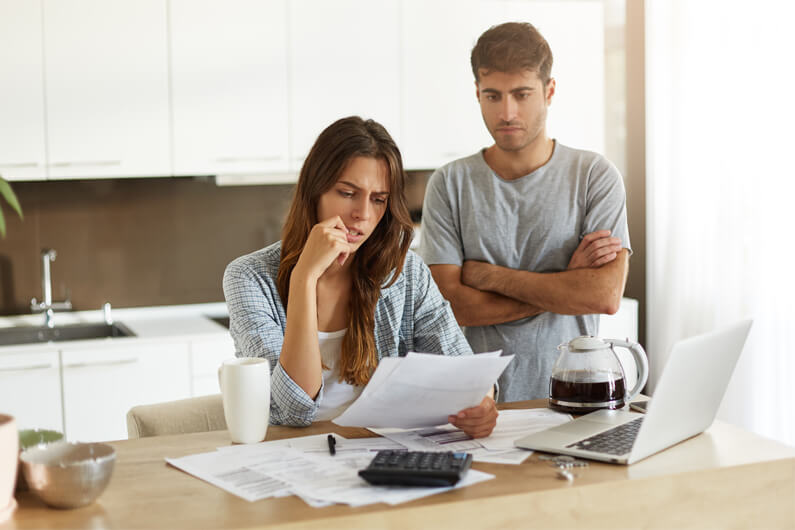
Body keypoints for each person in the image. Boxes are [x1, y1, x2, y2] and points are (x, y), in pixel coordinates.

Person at [223, 116, 497, 438]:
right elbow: (292, 409)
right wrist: (304, 278)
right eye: (348, 193)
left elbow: (463, 371)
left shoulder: (407, 273)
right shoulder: (249, 278)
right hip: (291, 453)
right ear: (314, 190)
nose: (363, 214)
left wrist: (481, 404)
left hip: (381, 452)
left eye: (378, 199)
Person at [419, 22, 631, 402]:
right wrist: (565, 283)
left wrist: (490, 277)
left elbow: (604, 294)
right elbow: (452, 307)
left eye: (521, 94)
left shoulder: (594, 176)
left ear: (549, 91)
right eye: (493, 96)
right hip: (479, 406)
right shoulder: (449, 183)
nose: (507, 112)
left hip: (576, 398)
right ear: (477, 94)